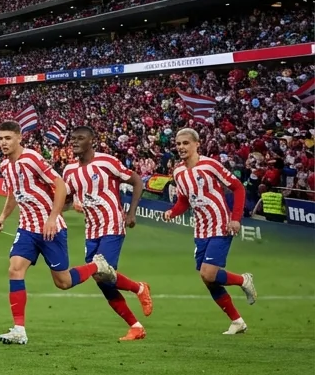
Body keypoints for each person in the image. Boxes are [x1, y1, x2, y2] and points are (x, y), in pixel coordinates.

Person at [0, 120, 112, 345]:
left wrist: (53, 217)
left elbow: (60, 185)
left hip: (51, 230)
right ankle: (19, 330)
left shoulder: (32, 159)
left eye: (8, 138)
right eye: (0, 139)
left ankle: (98, 266)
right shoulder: (5, 166)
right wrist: (2, 217)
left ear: (19, 138)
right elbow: (14, 193)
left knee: (63, 282)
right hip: (27, 228)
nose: (3, 143)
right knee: (15, 269)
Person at [60, 126, 154, 341]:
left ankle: (139, 289)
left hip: (112, 223)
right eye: (73, 139)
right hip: (91, 228)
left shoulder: (106, 162)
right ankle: (136, 325)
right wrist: (53, 210)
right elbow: (67, 200)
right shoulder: (69, 170)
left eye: (80, 138)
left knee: (102, 270)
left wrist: (131, 212)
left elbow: (137, 181)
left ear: (91, 141)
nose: (74, 142)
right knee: (102, 279)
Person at [164, 127, 258, 334]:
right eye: (178, 144)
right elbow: (184, 200)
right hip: (200, 229)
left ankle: (243, 280)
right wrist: (172, 212)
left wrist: (235, 218)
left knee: (209, 273)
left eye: (186, 143)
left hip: (221, 225)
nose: (181, 147)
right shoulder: (178, 172)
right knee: (207, 279)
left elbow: (238, 187)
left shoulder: (210, 165)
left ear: (197, 144)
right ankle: (237, 321)